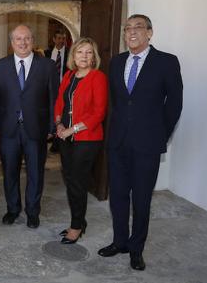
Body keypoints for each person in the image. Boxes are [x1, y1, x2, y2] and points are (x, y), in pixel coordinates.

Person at [98, 14, 183, 271]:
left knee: (142, 199)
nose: (132, 32)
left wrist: (160, 135)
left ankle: (137, 249)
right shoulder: (117, 62)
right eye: (127, 28)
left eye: (138, 27)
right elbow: (114, 103)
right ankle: (120, 241)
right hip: (118, 143)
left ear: (150, 32)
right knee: (119, 196)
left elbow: (175, 104)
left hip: (147, 144)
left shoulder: (166, 62)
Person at [0, 25, 58, 228]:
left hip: (36, 129)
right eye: (18, 39)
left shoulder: (47, 65)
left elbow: (53, 98)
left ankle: (32, 212)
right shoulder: (0, 65)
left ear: (33, 40)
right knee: (9, 172)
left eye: (27, 38)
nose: (23, 42)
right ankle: (13, 210)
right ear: (12, 43)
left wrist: (52, 127)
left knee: (35, 172)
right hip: (8, 129)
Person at [53, 37, 108, 244]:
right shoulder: (69, 75)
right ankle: (79, 221)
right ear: (73, 56)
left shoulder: (98, 78)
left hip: (87, 139)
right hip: (65, 137)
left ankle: (76, 226)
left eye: (89, 52)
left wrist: (71, 130)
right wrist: (58, 124)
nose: (84, 56)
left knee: (77, 182)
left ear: (94, 57)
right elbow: (60, 101)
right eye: (80, 52)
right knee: (70, 180)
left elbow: (98, 113)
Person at [45, 29, 69, 153]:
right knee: (52, 112)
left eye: (63, 38)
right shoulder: (46, 53)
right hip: (50, 89)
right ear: (54, 39)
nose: (61, 41)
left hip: (65, 88)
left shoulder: (70, 53)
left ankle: (58, 142)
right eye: (58, 38)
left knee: (62, 114)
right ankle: (51, 134)